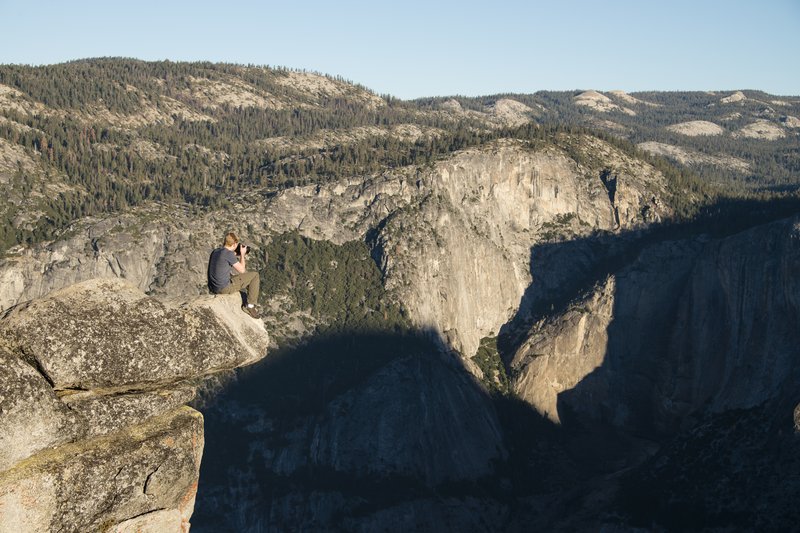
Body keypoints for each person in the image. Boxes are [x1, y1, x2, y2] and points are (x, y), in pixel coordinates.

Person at [207, 232, 261, 318]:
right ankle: (250, 306)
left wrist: (235, 254)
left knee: (234, 277)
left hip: (213, 287)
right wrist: (242, 254)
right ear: (235, 243)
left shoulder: (215, 251)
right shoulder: (228, 254)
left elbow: (223, 261)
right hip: (224, 289)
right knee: (254, 276)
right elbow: (242, 270)